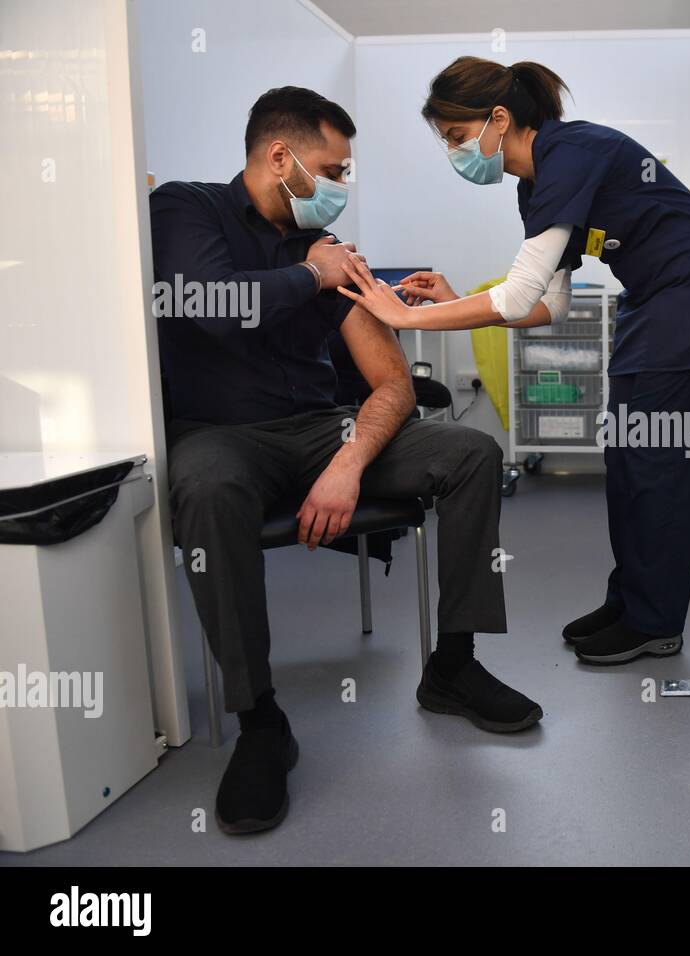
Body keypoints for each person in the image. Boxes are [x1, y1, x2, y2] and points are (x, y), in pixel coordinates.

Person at [151, 86, 541, 836]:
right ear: (279, 156)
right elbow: (202, 302)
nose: (338, 188)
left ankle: (452, 667)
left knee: (471, 454)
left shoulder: (323, 250)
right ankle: (260, 719)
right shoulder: (187, 210)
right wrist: (312, 276)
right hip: (223, 436)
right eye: (332, 170)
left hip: (323, 431)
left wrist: (351, 459)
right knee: (203, 488)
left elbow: (393, 380)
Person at [335, 58, 690, 666]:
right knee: (631, 460)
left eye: (456, 136)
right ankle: (631, 602)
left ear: (498, 118)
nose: (454, 152)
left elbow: (515, 296)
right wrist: (453, 303)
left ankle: (657, 622)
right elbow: (549, 304)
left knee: (662, 467)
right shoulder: (536, 185)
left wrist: (406, 317)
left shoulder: (571, 152)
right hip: (652, 304)